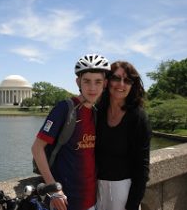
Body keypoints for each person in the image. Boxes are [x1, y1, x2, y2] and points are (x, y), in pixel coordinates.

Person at [31, 54, 110, 210]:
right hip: (65, 201)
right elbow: (37, 148)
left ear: (105, 84)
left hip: (92, 200)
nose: (92, 88)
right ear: (78, 82)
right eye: (87, 81)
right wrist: (53, 189)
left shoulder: (96, 113)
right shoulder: (65, 109)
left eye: (98, 82)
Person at [95, 61, 152, 210]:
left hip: (124, 190)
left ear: (132, 85)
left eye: (127, 80)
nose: (121, 84)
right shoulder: (98, 112)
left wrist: (132, 205)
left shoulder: (138, 117)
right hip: (96, 189)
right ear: (107, 81)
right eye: (116, 78)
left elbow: (142, 167)